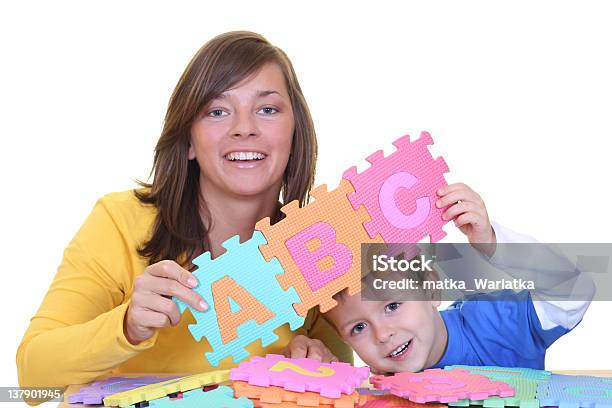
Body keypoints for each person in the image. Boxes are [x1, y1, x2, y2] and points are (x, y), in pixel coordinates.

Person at [16, 31, 349, 393]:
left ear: (295, 131)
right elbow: (33, 374)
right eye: (217, 111)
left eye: (267, 109)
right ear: (189, 141)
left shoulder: (318, 247)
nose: (244, 129)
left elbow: (359, 370)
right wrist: (126, 326)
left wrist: (320, 362)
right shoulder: (120, 222)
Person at [324, 182, 594, 374]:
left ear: (430, 289)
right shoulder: (377, 390)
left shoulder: (493, 323)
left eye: (392, 306)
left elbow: (574, 291)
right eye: (358, 328)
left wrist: (492, 243)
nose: (382, 335)